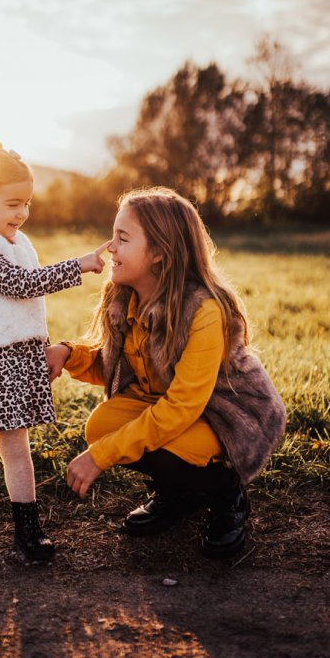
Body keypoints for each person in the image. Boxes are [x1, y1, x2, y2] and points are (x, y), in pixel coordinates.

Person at [46, 186, 286, 557]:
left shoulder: (204, 311)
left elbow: (182, 407)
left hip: (226, 415)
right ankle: (179, 494)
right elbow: (114, 366)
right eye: (113, 236)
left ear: (159, 253)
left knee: (163, 447)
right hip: (168, 405)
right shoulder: (125, 297)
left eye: (122, 239)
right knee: (102, 427)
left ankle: (226, 496)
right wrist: (67, 353)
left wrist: (100, 457)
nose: (110, 247)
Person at [0, 137, 108, 570]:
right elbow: (20, 285)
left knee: (17, 449)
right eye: (13, 203)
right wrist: (80, 264)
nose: (22, 213)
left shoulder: (15, 241)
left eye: (27, 203)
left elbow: (22, 287)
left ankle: (27, 532)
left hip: (15, 360)